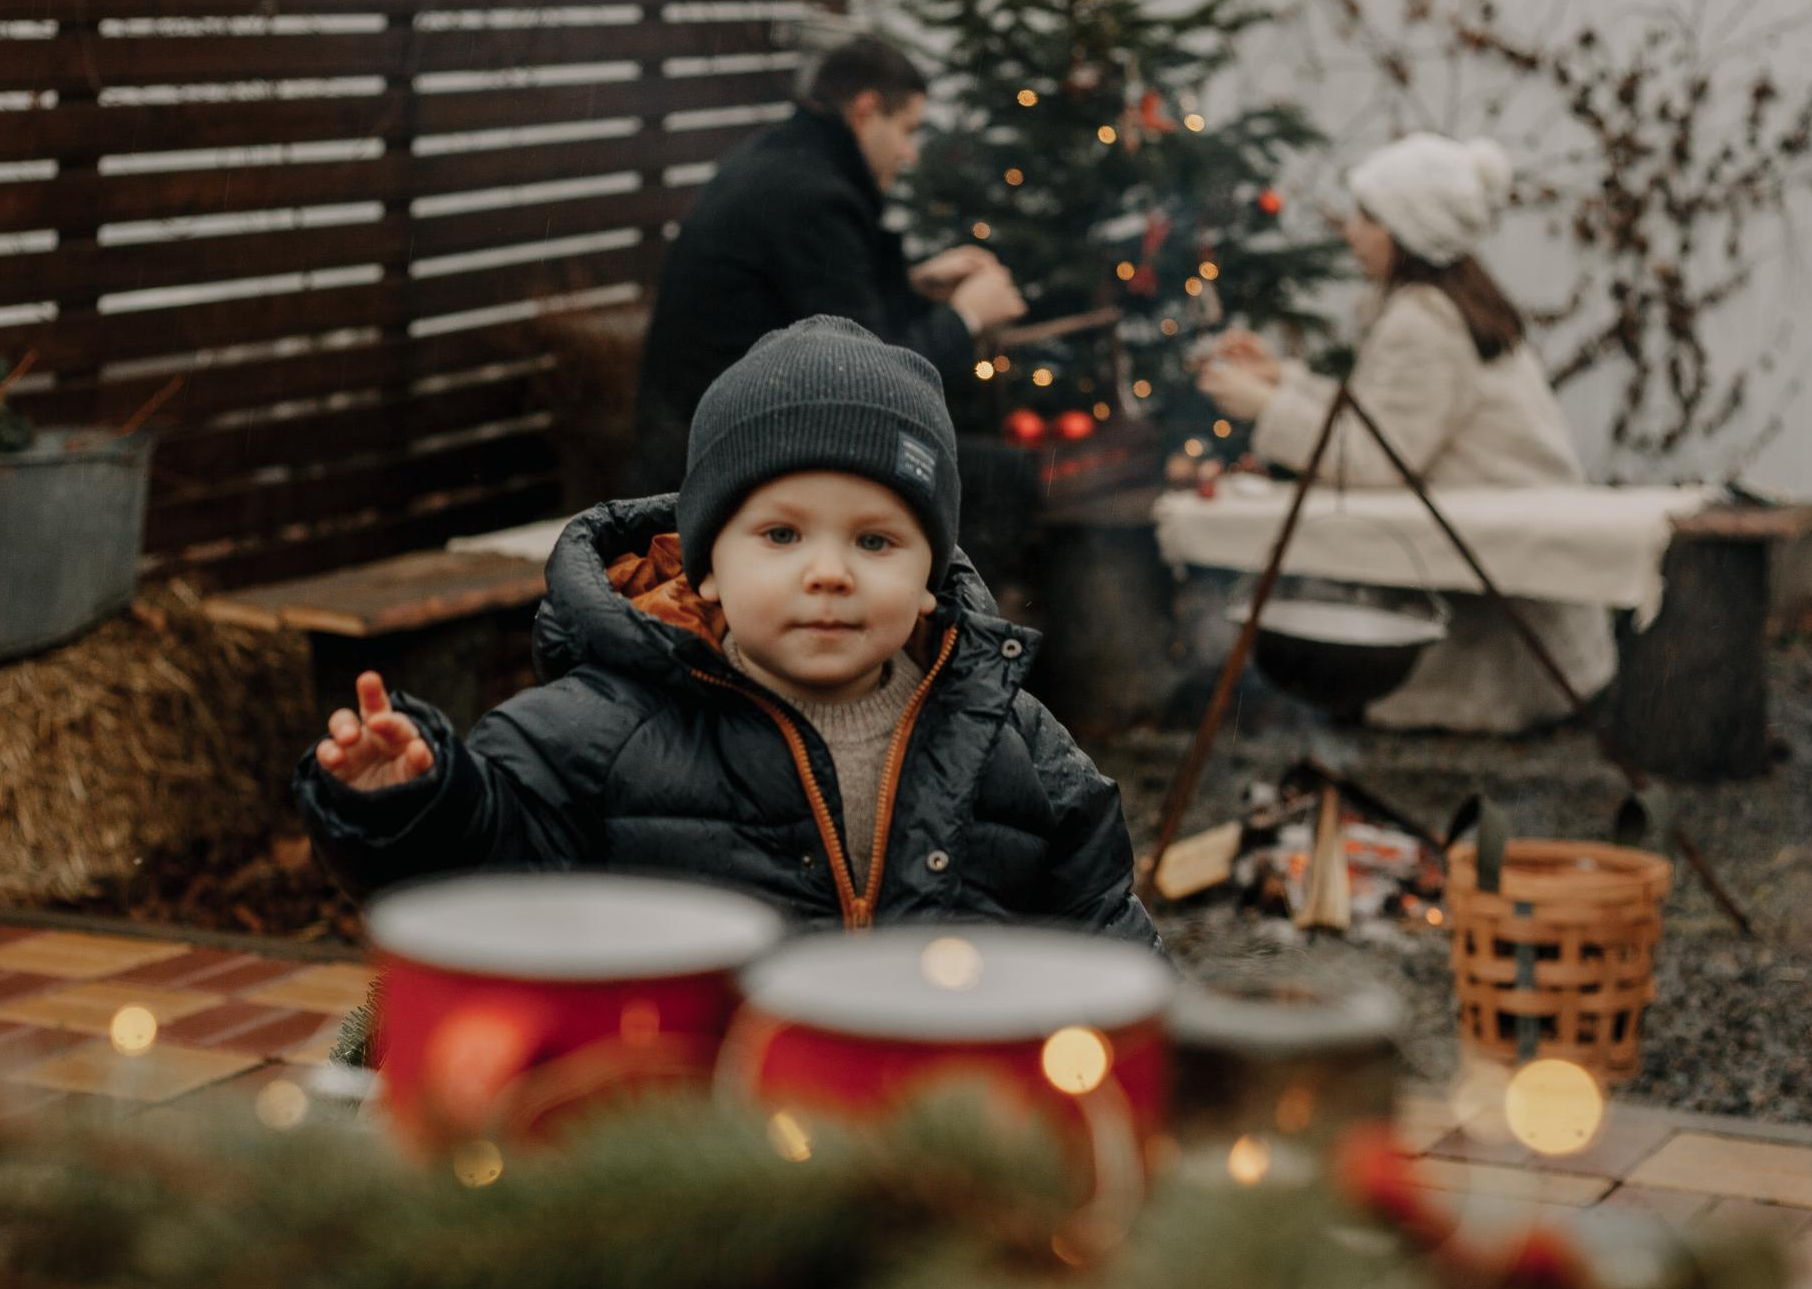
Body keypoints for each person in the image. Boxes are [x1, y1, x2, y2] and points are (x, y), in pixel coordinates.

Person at [299, 314, 1157, 949]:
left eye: (876, 540)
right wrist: (408, 805)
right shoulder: (597, 730)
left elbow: (1104, 932)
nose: (830, 571)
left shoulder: (1015, 744)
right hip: (697, 1146)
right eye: (781, 535)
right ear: (705, 565)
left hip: (932, 1134)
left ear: (931, 579)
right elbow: (482, 874)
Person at [1194, 133, 1616, 734]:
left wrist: (1267, 407)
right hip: (1491, 536)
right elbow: (1375, 414)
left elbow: (1376, 457)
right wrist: (1281, 378)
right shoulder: (1442, 302)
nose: (1352, 230)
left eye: (1368, 217)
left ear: (1406, 230)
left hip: (1504, 595)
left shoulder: (1425, 321)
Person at [627, 35, 1027, 495]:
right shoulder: (815, 197)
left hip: (712, 439)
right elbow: (866, 380)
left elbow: (812, 304)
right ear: (866, 110)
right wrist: (966, 316)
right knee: (1009, 480)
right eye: (908, 130)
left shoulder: (787, 159)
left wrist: (917, 283)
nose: (910, 153)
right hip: (736, 462)